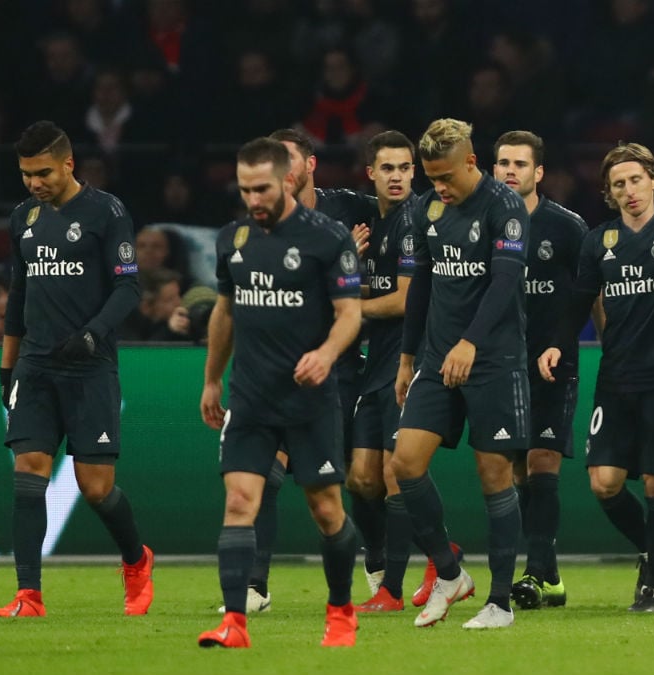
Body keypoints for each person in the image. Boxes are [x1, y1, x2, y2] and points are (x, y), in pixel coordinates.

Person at [198, 137, 362, 648]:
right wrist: (211, 378)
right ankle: (234, 622)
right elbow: (224, 311)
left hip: (309, 401)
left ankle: (340, 611)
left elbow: (350, 313)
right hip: (250, 398)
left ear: (287, 179)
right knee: (240, 501)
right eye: (245, 189)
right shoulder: (232, 239)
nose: (254, 199)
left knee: (327, 511)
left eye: (262, 188)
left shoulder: (327, 238)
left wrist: (327, 354)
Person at [539, 142, 654, 613]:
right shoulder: (599, 241)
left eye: (636, 180)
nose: (629, 190)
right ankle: (652, 548)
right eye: (619, 184)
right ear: (609, 193)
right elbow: (578, 301)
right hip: (615, 378)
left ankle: (652, 586)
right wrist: (557, 341)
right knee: (605, 482)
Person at [0, 120, 153, 618]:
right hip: (36, 366)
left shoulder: (106, 211)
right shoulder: (23, 218)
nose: (34, 183)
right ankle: (29, 594)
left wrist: (91, 334)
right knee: (28, 472)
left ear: (68, 164)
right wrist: (7, 365)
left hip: (90, 367)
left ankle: (136, 559)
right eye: (25, 175)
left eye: (42, 172)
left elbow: (129, 288)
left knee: (96, 488)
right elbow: (18, 296)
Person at [392, 118, 530, 630]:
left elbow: (506, 279)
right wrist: (407, 359)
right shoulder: (428, 208)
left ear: (472, 162)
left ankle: (499, 602)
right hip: (436, 359)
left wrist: (471, 341)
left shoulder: (504, 205)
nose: (440, 188)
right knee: (404, 463)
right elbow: (422, 286)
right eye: (432, 178)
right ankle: (450, 575)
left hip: (493, 360)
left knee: (493, 473)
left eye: (447, 177)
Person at [492, 130, 589, 610]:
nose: (510, 171)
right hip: (501, 365)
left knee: (542, 460)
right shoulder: (483, 225)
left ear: (539, 173)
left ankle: (530, 575)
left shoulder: (567, 227)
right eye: (503, 162)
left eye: (520, 163)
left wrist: (607, 351)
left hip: (554, 363)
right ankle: (548, 571)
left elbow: (590, 292)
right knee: (515, 472)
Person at [351, 131, 423, 613]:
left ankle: (392, 589)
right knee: (361, 478)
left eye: (404, 168)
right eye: (387, 168)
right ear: (371, 174)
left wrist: (351, 308)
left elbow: (404, 298)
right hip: (373, 364)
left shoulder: (415, 221)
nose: (396, 177)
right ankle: (438, 552)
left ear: (413, 172)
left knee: (397, 475)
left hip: (410, 360)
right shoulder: (367, 225)